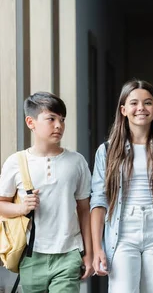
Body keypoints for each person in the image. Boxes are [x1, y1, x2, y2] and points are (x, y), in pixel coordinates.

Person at [90, 79, 153, 293]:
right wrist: (97, 247)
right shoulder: (107, 151)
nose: (141, 108)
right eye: (134, 103)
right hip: (122, 233)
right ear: (123, 109)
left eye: (148, 103)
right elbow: (99, 202)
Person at [0, 92, 93, 292]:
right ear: (30, 122)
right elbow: (2, 204)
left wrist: (89, 253)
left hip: (68, 253)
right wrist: (21, 208)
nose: (59, 125)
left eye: (62, 120)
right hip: (31, 255)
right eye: (51, 119)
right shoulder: (16, 162)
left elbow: (85, 210)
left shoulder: (77, 161)